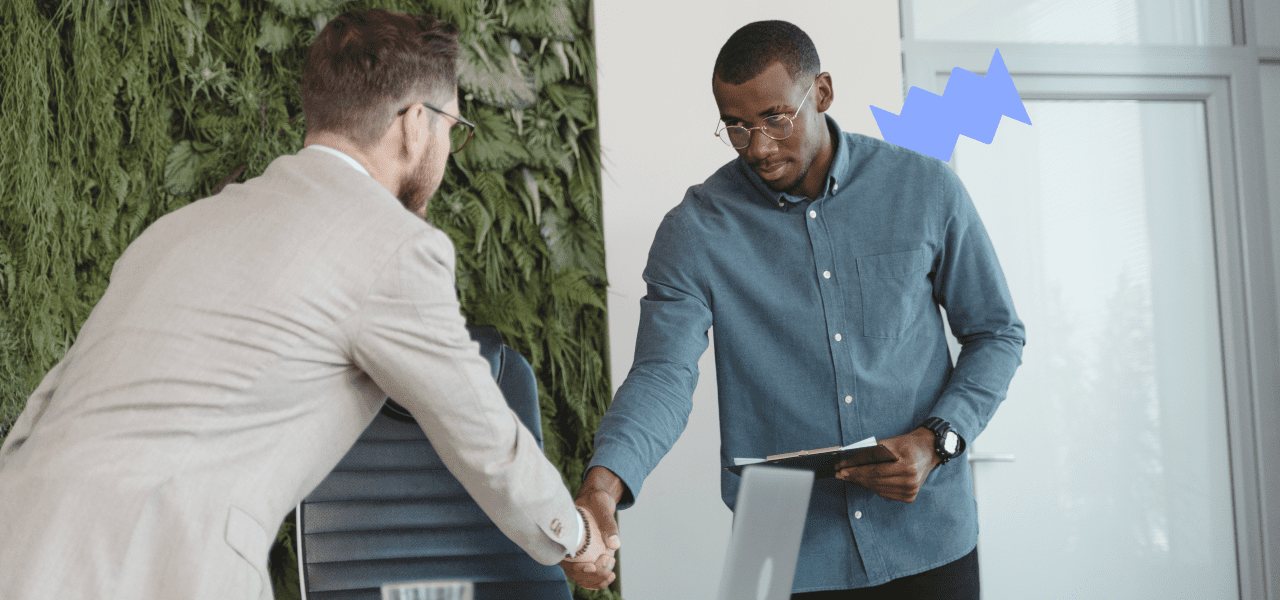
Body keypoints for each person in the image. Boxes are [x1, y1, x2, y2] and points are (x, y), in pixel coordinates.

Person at [0, 9, 613, 600]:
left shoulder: (177, 229)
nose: (450, 150)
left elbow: (48, 402)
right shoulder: (392, 245)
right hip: (155, 563)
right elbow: (480, 433)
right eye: (452, 127)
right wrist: (577, 536)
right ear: (412, 121)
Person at [564, 20, 1024, 599]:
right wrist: (603, 487)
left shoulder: (927, 190)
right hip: (776, 535)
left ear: (822, 94)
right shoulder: (695, 231)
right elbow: (663, 374)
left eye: (775, 118)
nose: (757, 146)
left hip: (927, 530)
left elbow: (996, 332)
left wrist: (939, 440)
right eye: (735, 125)